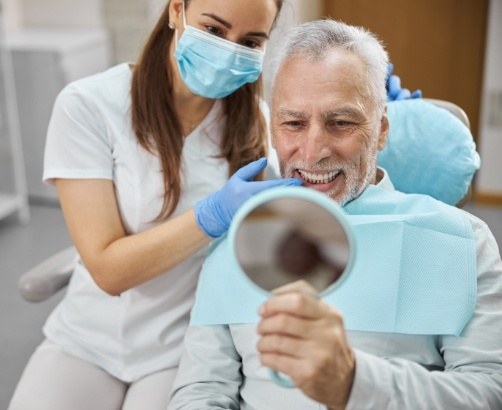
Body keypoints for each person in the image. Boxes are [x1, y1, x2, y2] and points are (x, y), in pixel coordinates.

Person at [168, 19, 502, 409]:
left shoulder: (461, 240)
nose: (312, 152)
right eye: (293, 123)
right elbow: (202, 389)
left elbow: (490, 391)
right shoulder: (236, 239)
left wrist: (354, 382)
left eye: (340, 123)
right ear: (272, 128)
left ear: (380, 130)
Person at [8, 1, 302, 409]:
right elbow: (109, 271)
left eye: (250, 41)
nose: (230, 51)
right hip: (85, 340)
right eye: (215, 31)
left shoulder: (257, 124)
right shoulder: (90, 106)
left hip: (182, 347)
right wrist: (211, 215)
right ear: (176, 11)